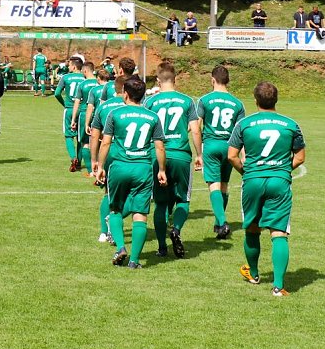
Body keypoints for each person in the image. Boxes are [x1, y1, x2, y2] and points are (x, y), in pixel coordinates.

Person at [228, 81, 305, 296]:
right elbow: (300, 156)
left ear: (255, 100)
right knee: (279, 233)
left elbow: (232, 156)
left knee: (252, 228)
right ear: (276, 100)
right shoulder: (291, 124)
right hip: (279, 182)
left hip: (252, 180)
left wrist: (247, 172)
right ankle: (278, 287)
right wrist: (281, 170)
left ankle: (253, 274)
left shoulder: (244, 124)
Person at [97, 76, 167, 268]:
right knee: (140, 214)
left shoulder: (115, 114)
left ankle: (121, 247)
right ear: (143, 96)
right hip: (143, 168)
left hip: (119, 166)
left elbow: (106, 142)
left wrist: (100, 166)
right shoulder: (152, 117)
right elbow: (159, 147)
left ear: (125, 94)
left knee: (116, 209)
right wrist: (161, 169)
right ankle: (135, 260)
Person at [144, 63, 202, 259]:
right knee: (183, 200)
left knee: (160, 204)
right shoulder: (187, 101)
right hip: (181, 155)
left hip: (156, 155)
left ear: (158, 81)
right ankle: (176, 229)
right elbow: (195, 129)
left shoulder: (151, 102)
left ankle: (161, 247)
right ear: (175, 80)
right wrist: (199, 154)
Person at [196, 65, 246, 239]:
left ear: (212, 80)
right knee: (224, 185)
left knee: (214, 186)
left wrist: (198, 150)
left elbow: (198, 124)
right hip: (229, 147)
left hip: (210, 145)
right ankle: (219, 225)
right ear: (228, 81)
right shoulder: (238, 103)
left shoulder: (204, 100)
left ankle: (223, 222)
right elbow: (241, 131)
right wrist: (243, 155)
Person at [89, 75, 127, 243]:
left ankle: (104, 232)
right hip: (131, 153)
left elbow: (95, 134)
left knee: (108, 193)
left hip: (109, 152)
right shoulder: (133, 106)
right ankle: (113, 224)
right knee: (134, 193)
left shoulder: (103, 107)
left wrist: (94, 161)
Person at [54, 57, 86, 171]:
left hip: (69, 109)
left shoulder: (66, 77)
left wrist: (65, 104)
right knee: (80, 138)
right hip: (82, 110)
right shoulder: (85, 77)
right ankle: (78, 163)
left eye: (69, 65)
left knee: (68, 136)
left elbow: (57, 93)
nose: (68, 67)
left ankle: (73, 158)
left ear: (73, 66)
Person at [70, 61, 98, 175]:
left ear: (85, 70)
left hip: (84, 114)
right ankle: (99, 168)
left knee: (85, 143)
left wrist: (73, 119)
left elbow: (77, 102)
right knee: (98, 142)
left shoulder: (82, 84)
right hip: (98, 115)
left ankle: (91, 171)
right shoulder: (100, 83)